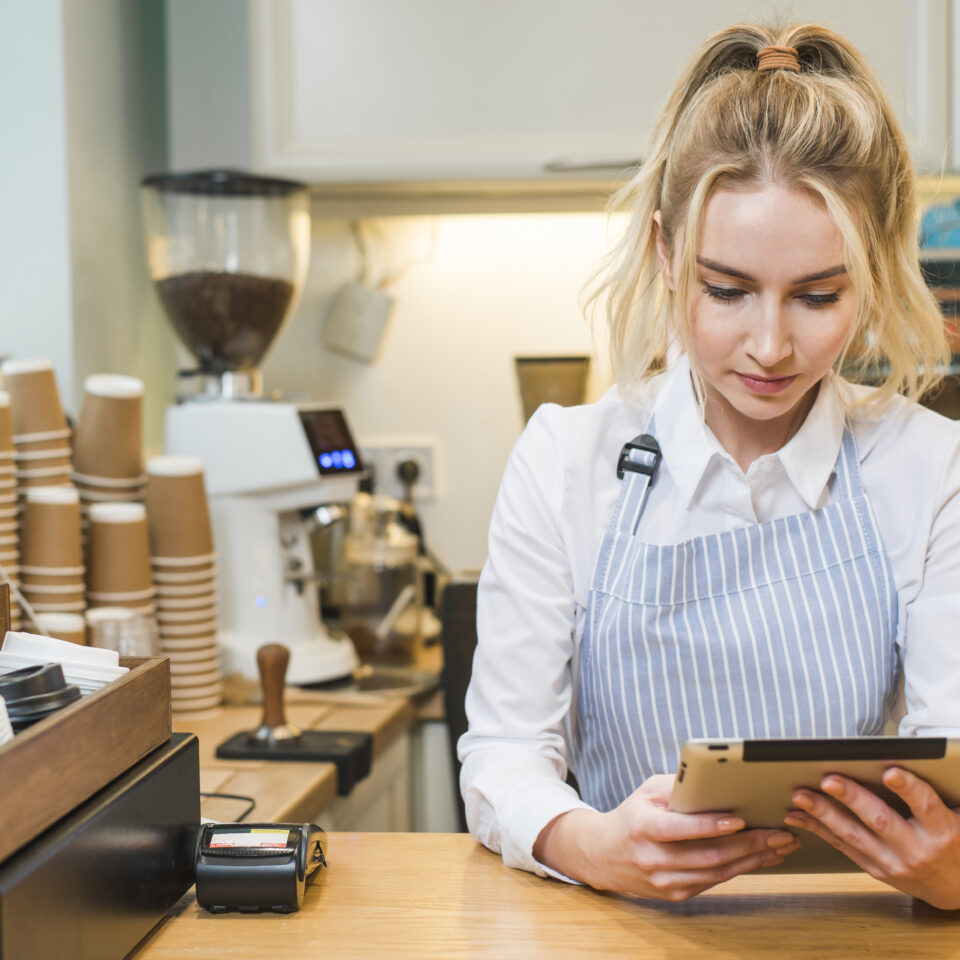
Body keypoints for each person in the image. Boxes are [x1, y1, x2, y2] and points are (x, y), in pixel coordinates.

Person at [458, 22, 960, 909]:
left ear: (873, 273)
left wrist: (954, 873)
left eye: (818, 295)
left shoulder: (929, 466)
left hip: (841, 928)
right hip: (623, 925)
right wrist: (592, 845)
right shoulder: (567, 460)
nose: (769, 346)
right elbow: (502, 754)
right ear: (664, 252)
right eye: (726, 289)